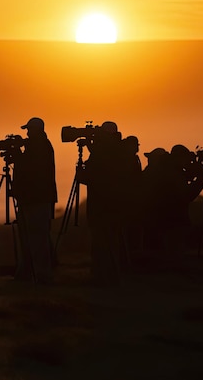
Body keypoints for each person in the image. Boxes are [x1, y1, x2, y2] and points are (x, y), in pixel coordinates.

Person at [10, 117, 57, 283]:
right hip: (31, 198)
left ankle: (43, 276)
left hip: (36, 199)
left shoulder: (40, 147)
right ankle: (27, 274)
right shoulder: (38, 146)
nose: (27, 133)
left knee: (37, 238)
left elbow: (31, 170)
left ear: (36, 130)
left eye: (29, 130)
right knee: (29, 238)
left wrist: (17, 154)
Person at [82, 121, 124, 285]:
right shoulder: (116, 149)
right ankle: (108, 275)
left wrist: (84, 176)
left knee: (102, 241)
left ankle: (104, 276)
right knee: (108, 240)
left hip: (102, 204)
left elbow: (100, 173)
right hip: (111, 203)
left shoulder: (107, 151)